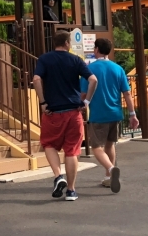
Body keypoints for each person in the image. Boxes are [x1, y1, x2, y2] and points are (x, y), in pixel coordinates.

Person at [33, 30, 97, 201]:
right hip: (73, 111)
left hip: (53, 111)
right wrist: (87, 102)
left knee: (49, 144)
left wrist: (42, 102)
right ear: (68, 43)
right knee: (72, 151)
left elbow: (37, 79)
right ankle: (71, 190)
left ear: (54, 43)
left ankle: (57, 175)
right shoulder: (75, 60)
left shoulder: (44, 59)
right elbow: (93, 80)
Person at [81, 37, 139, 193]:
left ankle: (111, 169)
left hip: (98, 114)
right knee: (109, 144)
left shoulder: (89, 69)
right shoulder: (118, 69)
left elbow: (84, 93)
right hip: (115, 113)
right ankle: (108, 178)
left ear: (96, 50)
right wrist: (132, 114)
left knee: (96, 147)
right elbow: (127, 94)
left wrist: (81, 106)